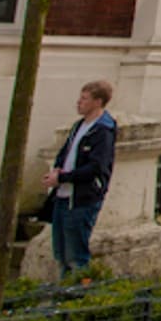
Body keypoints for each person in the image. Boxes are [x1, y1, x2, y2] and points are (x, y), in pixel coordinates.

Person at [40, 80, 116, 274]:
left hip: (82, 199)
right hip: (63, 196)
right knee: (61, 253)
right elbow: (66, 152)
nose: (78, 102)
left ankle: (78, 295)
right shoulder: (79, 126)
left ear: (98, 102)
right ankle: (64, 294)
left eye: (84, 99)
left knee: (76, 256)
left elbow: (96, 167)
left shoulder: (103, 130)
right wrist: (57, 169)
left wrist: (63, 178)